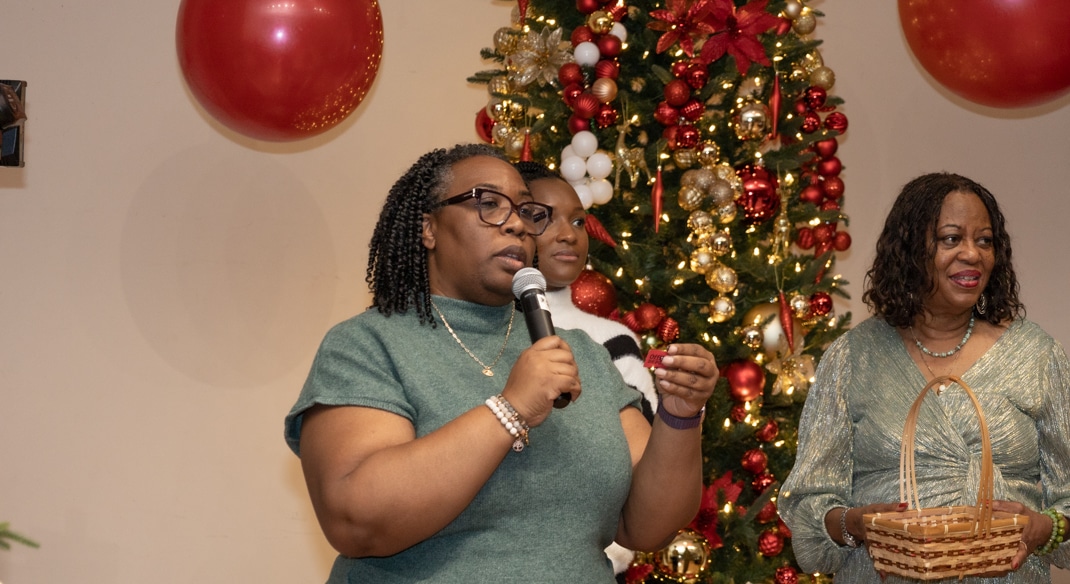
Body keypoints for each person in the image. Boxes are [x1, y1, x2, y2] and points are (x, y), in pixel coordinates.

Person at [284, 143, 718, 583]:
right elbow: (357, 522)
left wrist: (680, 416)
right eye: (488, 203)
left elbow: (646, 527)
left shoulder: (581, 352)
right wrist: (510, 409)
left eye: (526, 211)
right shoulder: (368, 344)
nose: (516, 224)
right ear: (429, 228)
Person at [779, 172, 1070, 583]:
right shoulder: (852, 358)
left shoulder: (1036, 355)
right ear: (910, 250)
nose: (972, 254)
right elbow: (808, 507)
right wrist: (854, 523)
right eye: (951, 239)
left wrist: (1047, 527)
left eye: (984, 241)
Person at [516, 160, 659, 578]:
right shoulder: (488, 330)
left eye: (578, 221)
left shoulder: (613, 340)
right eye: (544, 218)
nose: (568, 234)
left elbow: (646, 462)